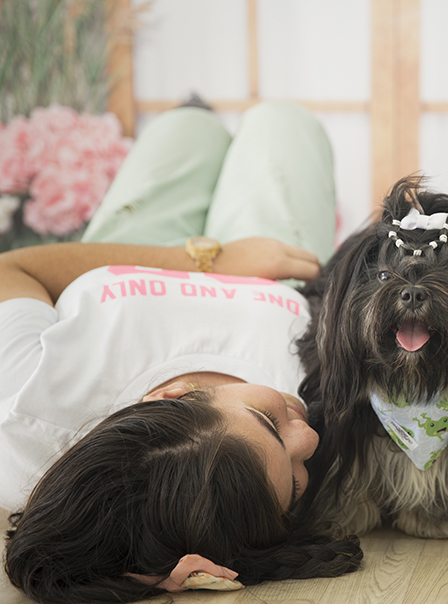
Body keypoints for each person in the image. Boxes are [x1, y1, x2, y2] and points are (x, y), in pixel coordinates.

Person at [1, 100, 362, 604]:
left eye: (265, 419)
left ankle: (196, 116)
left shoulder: (26, 418)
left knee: (184, 127)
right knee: (283, 122)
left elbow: (12, 270)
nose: (309, 438)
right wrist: (160, 573)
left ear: (173, 395)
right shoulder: (323, 398)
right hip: (280, 264)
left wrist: (204, 259)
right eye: (295, 485)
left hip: (133, 250)